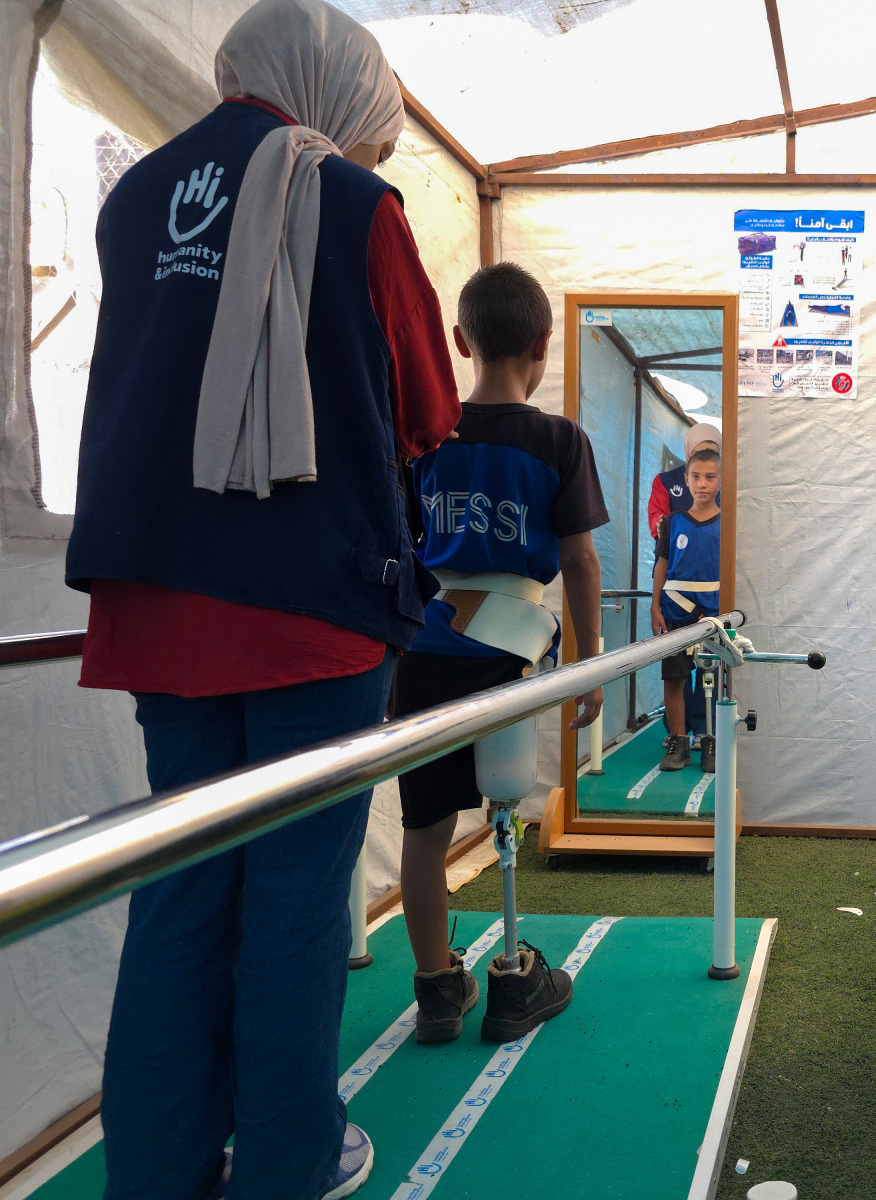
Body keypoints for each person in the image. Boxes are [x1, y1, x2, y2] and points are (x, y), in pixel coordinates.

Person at [64, 2, 459, 1195]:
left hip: (154, 594)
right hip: (310, 601)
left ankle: (156, 1172)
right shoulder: (355, 201)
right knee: (293, 898)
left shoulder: (136, 197)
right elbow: (426, 408)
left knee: (178, 889)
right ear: (341, 93)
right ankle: (288, 1161)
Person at [392, 261, 607, 1042]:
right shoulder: (559, 440)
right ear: (544, 345)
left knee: (425, 829)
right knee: (508, 806)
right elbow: (580, 562)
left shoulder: (423, 436)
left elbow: (402, 547)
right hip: (509, 656)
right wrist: (589, 664)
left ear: (460, 341)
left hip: (422, 651)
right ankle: (514, 982)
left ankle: (436, 990)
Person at [648, 421, 721, 748]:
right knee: (675, 674)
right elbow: (661, 553)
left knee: (711, 672)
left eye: (711, 475)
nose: (703, 482)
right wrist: (655, 607)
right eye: (696, 475)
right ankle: (677, 735)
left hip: (712, 605)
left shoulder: (726, 506)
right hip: (675, 601)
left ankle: (705, 732)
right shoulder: (667, 488)